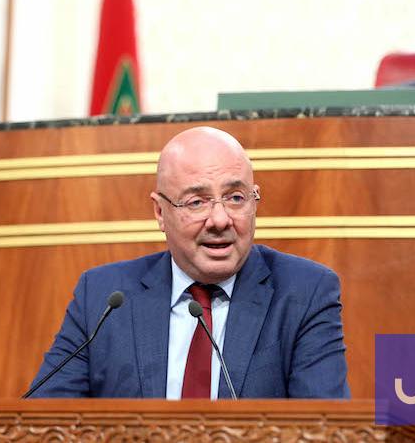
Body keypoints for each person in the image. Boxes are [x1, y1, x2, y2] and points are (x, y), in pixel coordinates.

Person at [28, 126, 350, 399]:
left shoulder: (304, 293)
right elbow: (45, 420)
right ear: (160, 212)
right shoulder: (103, 297)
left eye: (236, 198)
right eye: (197, 202)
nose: (220, 219)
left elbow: (323, 428)